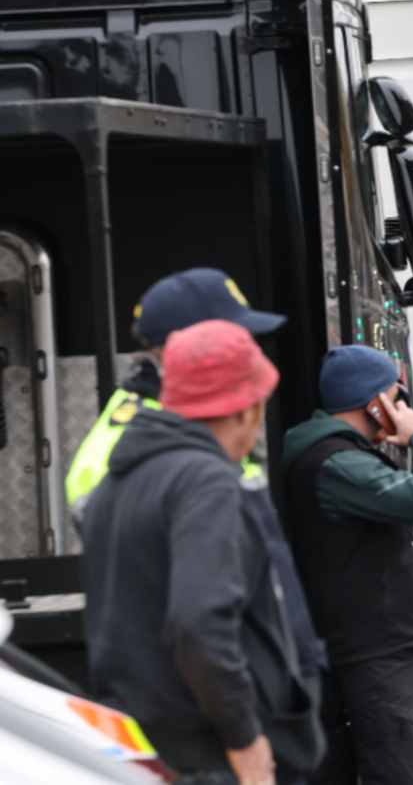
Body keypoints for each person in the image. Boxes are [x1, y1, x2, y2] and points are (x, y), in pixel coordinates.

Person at [82, 320, 323, 784]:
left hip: (145, 752)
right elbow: (200, 624)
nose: (254, 433)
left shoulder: (116, 485)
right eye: (258, 409)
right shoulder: (208, 483)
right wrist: (245, 740)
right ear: (241, 410)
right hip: (213, 760)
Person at [281, 345, 413, 785]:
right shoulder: (333, 462)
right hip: (376, 653)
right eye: (398, 397)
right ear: (375, 403)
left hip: (398, 648)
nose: (403, 407)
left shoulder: (349, 457)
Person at [66, 267, 285, 522]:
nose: (248, 349)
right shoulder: (137, 431)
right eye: (233, 339)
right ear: (189, 347)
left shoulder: (193, 415)